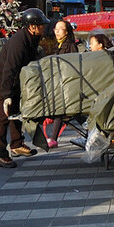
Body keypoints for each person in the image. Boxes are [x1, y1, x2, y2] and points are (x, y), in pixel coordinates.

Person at [0, 8, 49, 168]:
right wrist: (6, 95)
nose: (44, 27)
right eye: (41, 25)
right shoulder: (19, 42)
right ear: (31, 26)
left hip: (16, 81)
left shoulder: (31, 38)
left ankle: (17, 145)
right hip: (3, 81)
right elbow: (10, 69)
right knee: (3, 117)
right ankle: (1, 155)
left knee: (16, 113)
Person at [42, 19, 78, 149]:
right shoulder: (56, 45)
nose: (57, 31)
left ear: (67, 31)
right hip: (58, 84)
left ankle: (53, 138)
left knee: (61, 111)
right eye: (55, 29)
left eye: (60, 29)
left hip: (66, 85)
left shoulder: (70, 46)